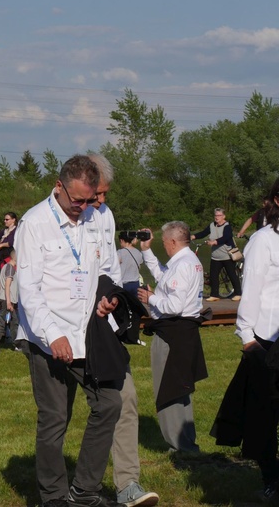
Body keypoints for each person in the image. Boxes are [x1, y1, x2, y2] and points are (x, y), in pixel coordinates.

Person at [15, 154, 123, 507]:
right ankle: (54, 497)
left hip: (87, 333)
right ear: (58, 186)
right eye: (77, 200)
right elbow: (28, 289)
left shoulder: (95, 217)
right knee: (55, 418)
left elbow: (107, 269)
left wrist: (108, 298)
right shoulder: (34, 223)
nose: (83, 207)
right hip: (47, 338)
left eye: (89, 200)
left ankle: (84, 490)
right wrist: (53, 333)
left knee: (109, 404)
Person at [89, 153, 158, 507]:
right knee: (57, 415)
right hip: (61, 329)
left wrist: (115, 303)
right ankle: (64, 490)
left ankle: (127, 484)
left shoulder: (106, 214)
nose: (101, 200)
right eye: (96, 194)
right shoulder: (45, 220)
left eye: (105, 194)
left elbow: (111, 271)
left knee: (125, 398)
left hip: (104, 323)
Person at [213, 178, 279, 500]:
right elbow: (250, 289)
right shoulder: (264, 240)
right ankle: (272, 479)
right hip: (266, 340)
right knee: (265, 416)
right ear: (277, 200)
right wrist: (247, 336)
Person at [137, 222, 207, 454]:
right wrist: (146, 250)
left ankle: (179, 445)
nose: (164, 246)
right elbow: (163, 276)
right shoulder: (187, 261)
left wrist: (150, 298)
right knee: (181, 386)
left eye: (165, 242)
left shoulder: (183, 265)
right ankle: (185, 441)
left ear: (174, 242)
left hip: (173, 332)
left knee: (169, 388)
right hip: (183, 332)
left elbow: (174, 306)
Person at [191, 208, 242, 302]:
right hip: (215, 256)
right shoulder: (212, 225)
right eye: (215, 215)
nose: (216, 217)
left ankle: (238, 293)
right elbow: (203, 233)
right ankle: (214, 295)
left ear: (223, 216)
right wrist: (193, 236)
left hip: (227, 256)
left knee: (232, 275)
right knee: (213, 276)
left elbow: (226, 238)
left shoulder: (227, 226)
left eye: (219, 215)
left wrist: (214, 242)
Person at [0, 250, 18, 354]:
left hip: (4, 299)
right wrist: (8, 302)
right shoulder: (10, 268)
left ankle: (17, 345)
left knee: (13, 322)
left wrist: (1, 298)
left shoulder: (5, 267)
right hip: (8, 300)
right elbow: (7, 285)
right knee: (3, 323)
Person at [117, 231, 144, 300]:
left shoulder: (120, 252)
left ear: (122, 240)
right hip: (136, 283)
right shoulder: (138, 252)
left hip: (124, 284)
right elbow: (140, 266)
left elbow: (115, 265)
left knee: (123, 303)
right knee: (134, 303)